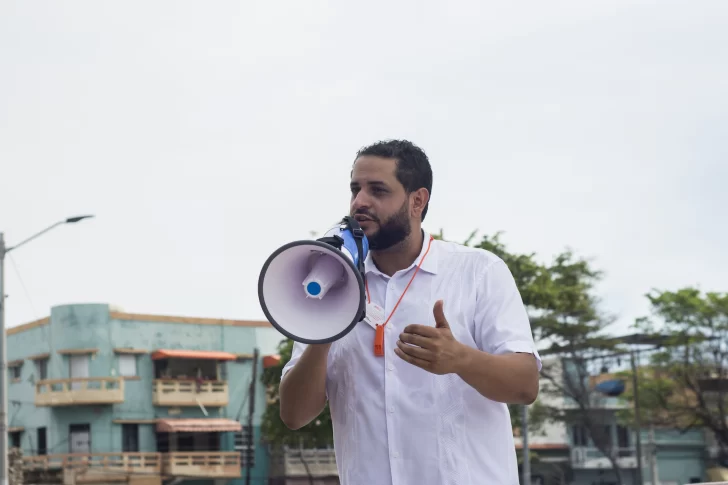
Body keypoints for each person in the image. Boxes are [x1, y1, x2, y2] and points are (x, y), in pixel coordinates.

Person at [279, 139, 541, 485]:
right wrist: (326, 324)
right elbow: (294, 415)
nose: (360, 202)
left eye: (378, 190)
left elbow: (525, 385)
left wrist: (460, 359)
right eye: (355, 189)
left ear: (417, 200)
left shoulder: (478, 271)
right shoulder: (330, 282)